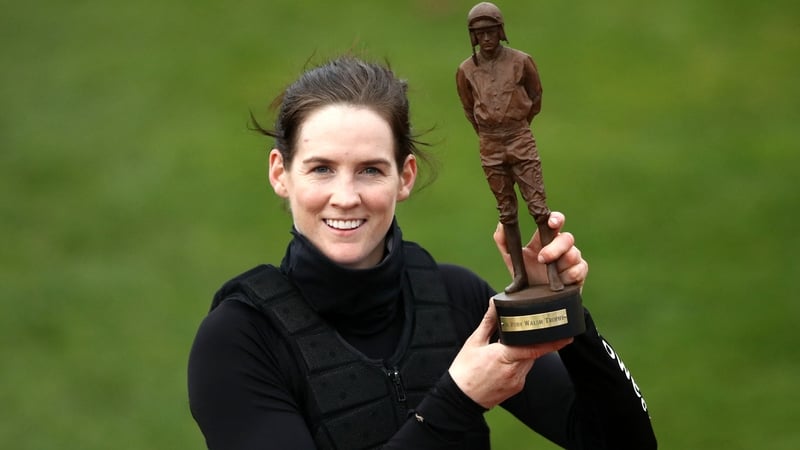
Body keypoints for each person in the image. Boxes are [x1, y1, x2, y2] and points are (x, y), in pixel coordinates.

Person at [188, 56, 657, 449]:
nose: (346, 196)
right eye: (322, 169)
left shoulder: (456, 300)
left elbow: (625, 442)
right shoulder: (239, 340)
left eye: (371, 170)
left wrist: (561, 305)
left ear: (405, 176)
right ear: (280, 173)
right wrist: (459, 399)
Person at [456, 2, 558, 294]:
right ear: (473, 37)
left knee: (538, 208)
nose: (486, 39)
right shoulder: (466, 71)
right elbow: (467, 107)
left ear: (500, 31)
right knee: (506, 212)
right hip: (490, 143)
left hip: (519, 137)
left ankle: (552, 270)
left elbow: (535, 96)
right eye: (480, 34)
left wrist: (517, 125)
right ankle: (520, 275)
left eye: (490, 32)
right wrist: (488, 133)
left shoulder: (521, 61)